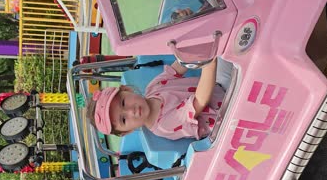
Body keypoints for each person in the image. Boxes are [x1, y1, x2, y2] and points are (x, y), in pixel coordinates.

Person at [86, 58, 225, 140]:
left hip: (221, 86)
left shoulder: (153, 87)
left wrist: (191, 44)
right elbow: (199, 102)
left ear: (126, 90)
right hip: (227, 114)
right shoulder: (164, 125)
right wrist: (209, 62)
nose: (131, 111)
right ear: (126, 132)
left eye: (123, 103)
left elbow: (179, 66)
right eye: (124, 119)